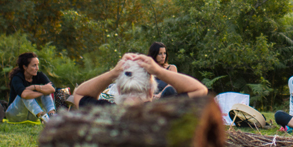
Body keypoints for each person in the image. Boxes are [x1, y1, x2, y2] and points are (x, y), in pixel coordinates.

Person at [72, 53, 208, 108]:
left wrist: (113, 73)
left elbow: (79, 94)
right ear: (150, 91)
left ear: (118, 90)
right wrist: (158, 70)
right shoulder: (164, 113)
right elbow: (200, 90)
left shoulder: (104, 113)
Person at [6, 52, 65, 122]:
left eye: (37, 65)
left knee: (45, 91)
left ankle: (52, 115)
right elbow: (24, 94)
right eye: (34, 65)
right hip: (15, 114)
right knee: (26, 95)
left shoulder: (39, 75)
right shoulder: (17, 78)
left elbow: (52, 89)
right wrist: (42, 91)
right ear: (24, 67)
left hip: (32, 115)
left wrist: (35, 87)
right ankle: (43, 116)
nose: (37, 68)